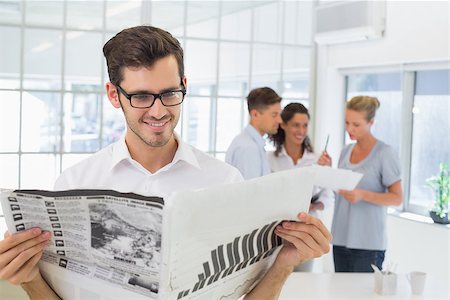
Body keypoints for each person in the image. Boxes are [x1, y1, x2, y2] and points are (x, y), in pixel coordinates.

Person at [0, 26, 332, 299]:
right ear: (114, 95)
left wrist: (284, 264)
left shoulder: (226, 181)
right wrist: (30, 279)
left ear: (184, 87)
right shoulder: (74, 183)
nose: (159, 111)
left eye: (169, 94)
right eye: (141, 97)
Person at [331, 95, 403, 273]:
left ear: (371, 122)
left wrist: (363, 195)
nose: (350, 129)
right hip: (340, 239)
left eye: (356, 125)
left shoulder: (385, 153)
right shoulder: (345, 151)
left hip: (368, 244)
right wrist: (328, 172)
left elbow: (397, 198)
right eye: (347, 123)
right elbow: (339, 193)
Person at [268, 102, 333, 272]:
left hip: (306, 233)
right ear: (284, 125)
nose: (301, 131)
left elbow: (328, 198)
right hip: (276, 232)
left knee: (303, 283)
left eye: (305, 126)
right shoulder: (270, 159)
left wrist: (310, 205)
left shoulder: (318, 159)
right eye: (296, 125)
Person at [225, 87, 282, 180]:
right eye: (274, 115)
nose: (279, 120)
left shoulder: (251, 144)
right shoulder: (248, 148)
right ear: (255, 114)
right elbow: (250, 193)